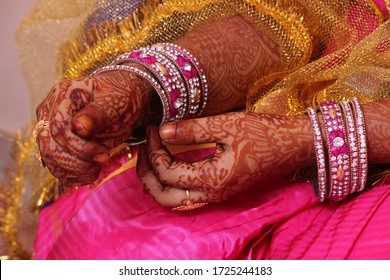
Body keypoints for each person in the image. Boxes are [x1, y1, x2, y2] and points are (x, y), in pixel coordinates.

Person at [3, 0, 390, 259]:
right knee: (122, 232)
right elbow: (313, 16)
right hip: (297, 98)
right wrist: (142, 84)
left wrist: (317, 139)